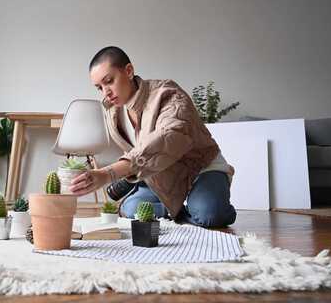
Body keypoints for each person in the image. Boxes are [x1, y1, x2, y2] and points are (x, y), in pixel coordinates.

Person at [68, 46, 236, 228]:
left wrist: (107, 174)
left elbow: (166, 139)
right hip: (161, 176)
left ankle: (210, 204)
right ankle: (179, 211)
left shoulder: (169, 95)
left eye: (109, 81)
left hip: (201, 168)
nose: (105, 92)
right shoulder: (113, 111)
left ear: (129, 71)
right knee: (131, 210)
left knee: (210, 215)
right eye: (99, 87)